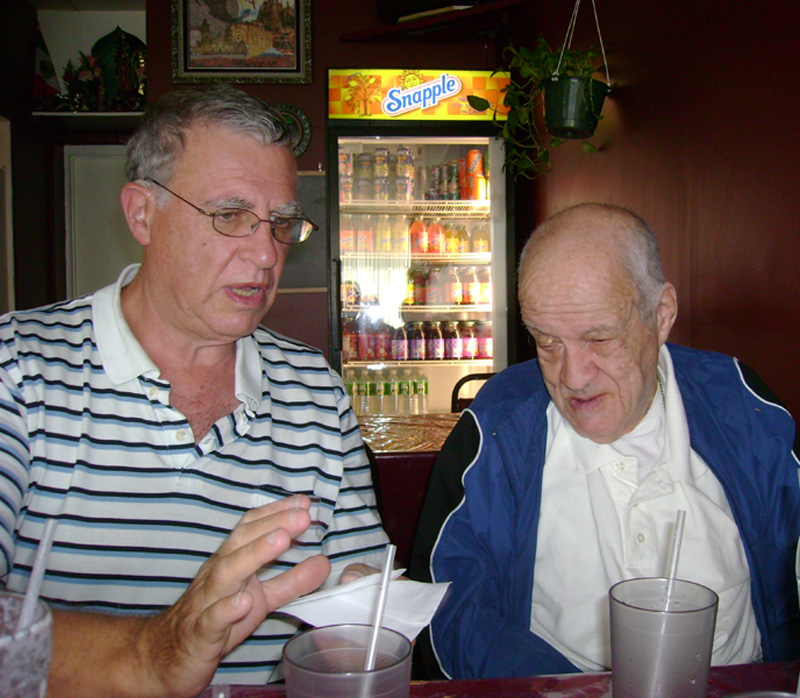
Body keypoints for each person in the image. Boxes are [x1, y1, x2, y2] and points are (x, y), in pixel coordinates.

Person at [0, 85, 389, 696]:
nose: (265, 253)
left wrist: (361, 607)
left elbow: (361, 593)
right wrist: (158, 654)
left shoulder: (317, 391)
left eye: (281, 223)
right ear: (141, 214)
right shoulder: (15, 370)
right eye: (229, 215)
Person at [410, 203, 800, 679]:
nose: (572, 377)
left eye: (598, 339)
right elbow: (448, 604)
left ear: (661, 315)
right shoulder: (496, 425)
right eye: (547, 341)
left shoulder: (746, 412)